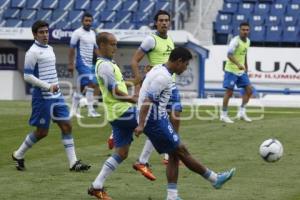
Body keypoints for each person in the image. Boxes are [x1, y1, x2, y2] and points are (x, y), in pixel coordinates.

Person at [135, 47, 236, 200]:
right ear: (179, 61)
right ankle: (214, 179)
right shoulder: (163, 77)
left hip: (158, 118)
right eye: (186, 64)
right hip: (153, 121)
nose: (186, 68)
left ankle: (172, 196)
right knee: (181, 150)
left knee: (174, 152)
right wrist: (141, 124)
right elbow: (148, 101)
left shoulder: (160, 69)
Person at [12, 20, 90, 172]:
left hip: (57, 96)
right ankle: (18, 154)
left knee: (67, 125)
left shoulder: (50, 48)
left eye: (46, 31)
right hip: (42, 97)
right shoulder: (32, 52)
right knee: (42, 132)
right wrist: (48, 86)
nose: (45, 35)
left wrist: (54, 86)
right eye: (41, 32)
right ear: (35, 34)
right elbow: (27, 76)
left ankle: (73, 163)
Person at [131, 9, 180, 181]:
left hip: (171, 85)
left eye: (167, 20)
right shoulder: (151, 39)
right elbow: (135, 60)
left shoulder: (170, 39)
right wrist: (138, 84)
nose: (164, 23)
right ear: (156, 22)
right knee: (160, 122)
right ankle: (164, 154)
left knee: (174, 117)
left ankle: (169, 152)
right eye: (161, 20)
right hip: (158, 86)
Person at [88, 32, 138, 200]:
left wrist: (138, 81)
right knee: (156, 121)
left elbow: (120, 86)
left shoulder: (109, 64)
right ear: (101, 45)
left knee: (122, 153)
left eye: (116, 44)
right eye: (112, 44)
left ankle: (97, 186)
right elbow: (115, 92)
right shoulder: (104, 66)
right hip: (121, 111)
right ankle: (144, 161)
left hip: (117, 113)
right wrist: (134, 100)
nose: (115, 48)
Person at [68, 12, 101, 118]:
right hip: (81, 63)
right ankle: (91, 111)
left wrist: (102, 60)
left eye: (90, 21)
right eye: (86, 20)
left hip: (90, 63)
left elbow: (96, 49)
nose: (88, 22)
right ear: (82, 21)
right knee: (91, 83)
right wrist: (70, 64)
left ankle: (73, 110)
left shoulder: (92, 33)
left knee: (82, 88)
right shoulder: (77, 33)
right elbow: (72, 49)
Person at [220, 22, 253, 123]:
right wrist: (238, 64)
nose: (245, 32)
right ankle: (224, 114)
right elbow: (229, 55)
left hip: (241, 71)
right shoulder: (235, 41)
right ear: (239, 30)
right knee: (229, 92)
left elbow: (245, 54)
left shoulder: (248, 41)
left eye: (247, 30)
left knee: (249, 90)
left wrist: (246, 66)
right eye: (243, 30)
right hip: (231, 70)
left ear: (249, 30)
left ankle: (241, 112)